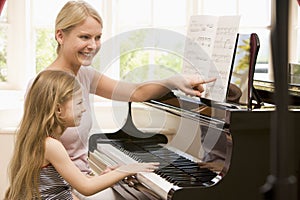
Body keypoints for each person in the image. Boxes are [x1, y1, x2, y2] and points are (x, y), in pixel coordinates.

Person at [28, 1, 216, 199]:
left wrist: (173, 82)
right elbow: (34, 156)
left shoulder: (85, 75)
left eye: (97, 37)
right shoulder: (45, 86)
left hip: (80, 181)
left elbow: (135, 93)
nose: (92, 45)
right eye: (84, 37)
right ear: (60, 36)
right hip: (64, 191)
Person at [4, 70, 160, 200]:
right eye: (79, 103)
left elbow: (71, 182)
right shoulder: (51, 145)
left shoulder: (44, 141)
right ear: (59, 109)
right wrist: (125, 170)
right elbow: (86, 188)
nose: (84, 109)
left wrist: (103, 177)